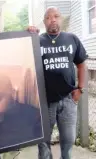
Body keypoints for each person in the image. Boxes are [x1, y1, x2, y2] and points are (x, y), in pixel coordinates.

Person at [28, 6, 87, 159]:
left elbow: (81, 64)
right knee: (43, 141)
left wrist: (80, 89)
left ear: (60, 19)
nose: (52, 19)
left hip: (68, 99)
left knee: (68, 140)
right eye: (48, 17)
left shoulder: (72, 39)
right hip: (45, 101)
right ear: (44, 22)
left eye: (56, 16)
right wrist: (27, 34)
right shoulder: (37, 41)